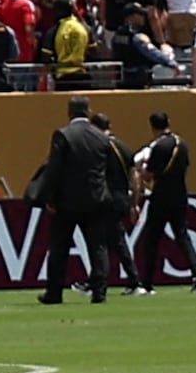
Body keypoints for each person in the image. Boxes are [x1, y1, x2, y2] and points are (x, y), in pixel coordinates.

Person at [30, 99, 128, 302]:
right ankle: (99, 292)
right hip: (96, 200)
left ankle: (54, 293)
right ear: (88, 111)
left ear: (69, 112)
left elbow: (54, 169)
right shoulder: (101, 138)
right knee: (98, 248)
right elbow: (109, 171)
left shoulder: (63, 135)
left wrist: (49, 197)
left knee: (59, 248)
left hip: (66, 202)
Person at [126, 111, 196, 292]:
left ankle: (147, 283)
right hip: (180, 195)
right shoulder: (182, 144)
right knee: (182, 236)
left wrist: (142, 169)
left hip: (161, 196)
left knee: (152, 240)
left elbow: (147, 176)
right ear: (168, 122)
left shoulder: (158, 147)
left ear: (152, 127)